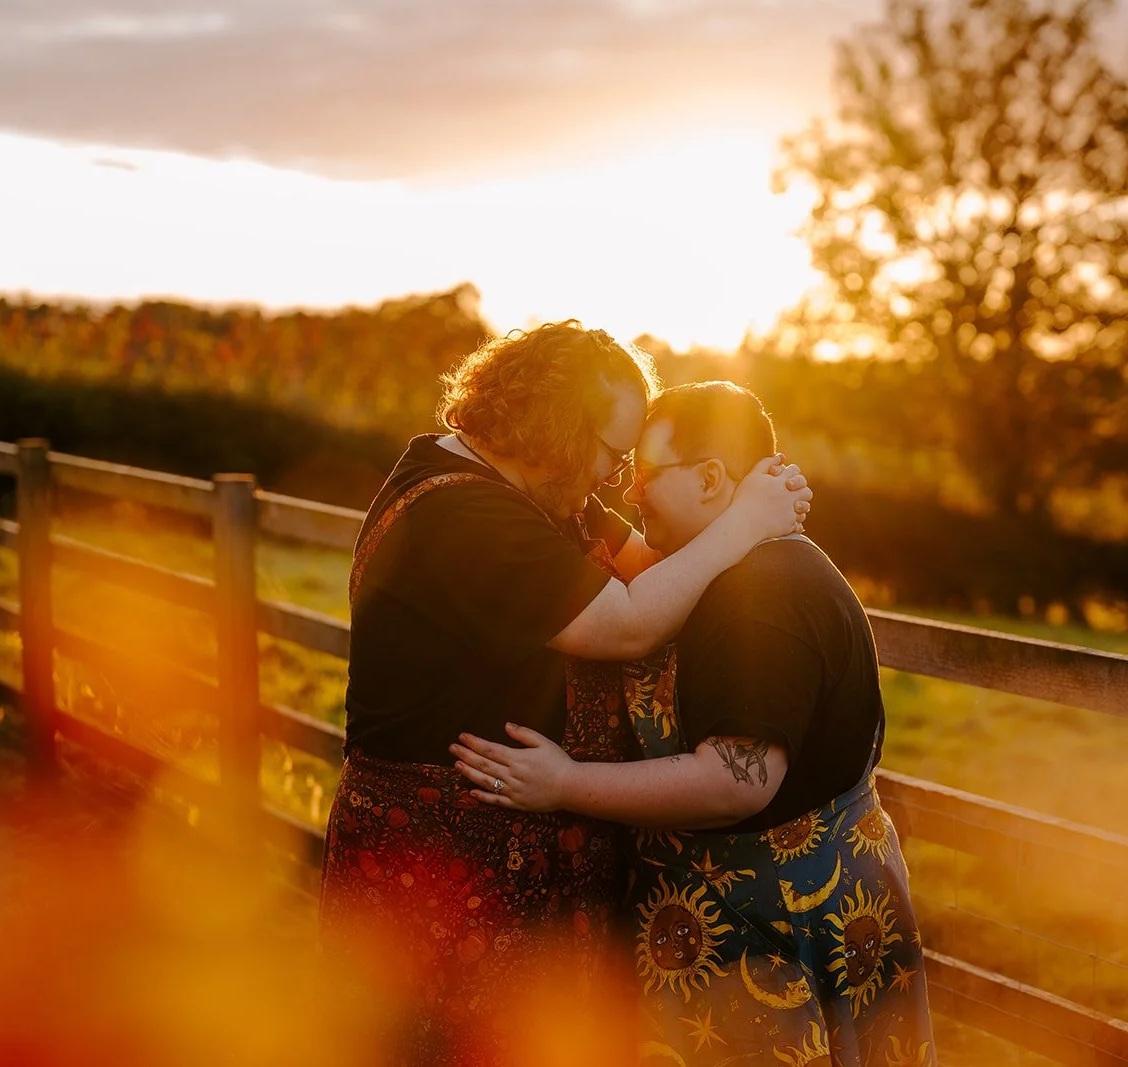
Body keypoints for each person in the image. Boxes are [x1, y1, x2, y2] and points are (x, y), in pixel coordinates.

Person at [320, 327, 812, 1066]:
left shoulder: (545, 496)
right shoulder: (461, 514)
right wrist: (746, 521)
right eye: (613, 453)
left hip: (520, 872)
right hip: (439, 877)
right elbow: (628, 622)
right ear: (555, 425)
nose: (617, 478)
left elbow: (654, 562)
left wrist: (744, 497)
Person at [451, 381, 934, 1067]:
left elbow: (736, 782)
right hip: (729, 928)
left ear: (711, 478)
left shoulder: (763, 593)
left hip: (778, 931)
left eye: (648, 475)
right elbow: (598, 538)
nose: (633, 492)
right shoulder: (714, 562)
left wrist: (563, 781)